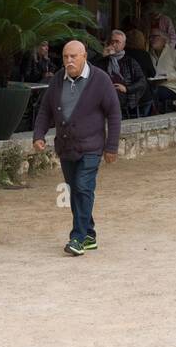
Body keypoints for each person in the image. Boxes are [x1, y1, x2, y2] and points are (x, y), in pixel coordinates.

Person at [34, 40, 121, 256]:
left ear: (84, 56)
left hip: (92, 146)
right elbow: (45, 110)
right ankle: (89, 233)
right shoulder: (57, 80)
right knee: (74, 190)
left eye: (73, 56)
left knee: (83, 186)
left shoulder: (100, 80)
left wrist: (111, 147)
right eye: (65, 57)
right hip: (66, 146)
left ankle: (78, 238)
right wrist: (38, 135)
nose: (69, 61)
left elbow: (114, 114)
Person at [94, 29, 147, 118]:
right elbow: (90, 71)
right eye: (112, 41)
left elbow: (142, 81)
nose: (114, 44)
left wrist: (127, 88)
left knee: (113, 95)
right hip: (104, 91)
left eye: (117, 42)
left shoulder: (130, 61)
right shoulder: (103, 60)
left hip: (122, 94)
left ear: (123, 45)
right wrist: (101, 55)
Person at [148, 30, 176, 112]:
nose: (151, 39)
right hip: (154, 86)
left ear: (164, 40)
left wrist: (168, 76)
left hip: (170, 89)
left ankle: (153, 113)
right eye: (150, 37)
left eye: (155, 36)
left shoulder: (174, 54)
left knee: (154, 91)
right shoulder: (149, 54)